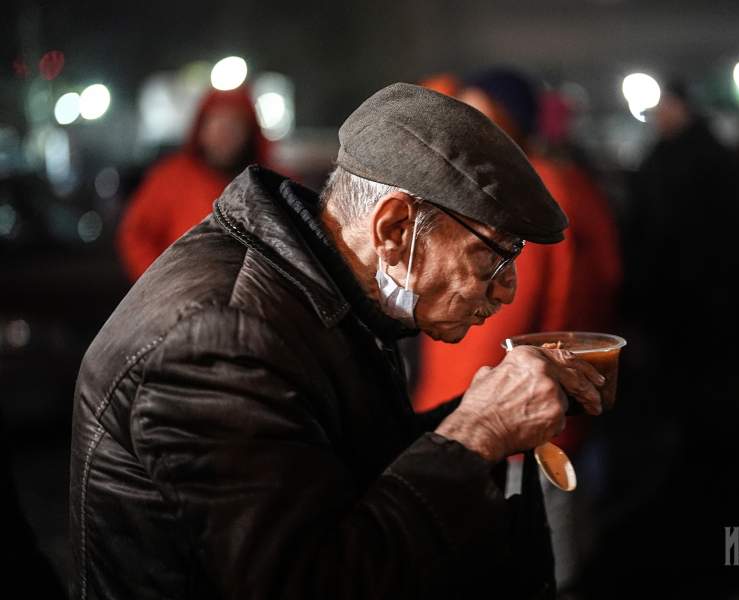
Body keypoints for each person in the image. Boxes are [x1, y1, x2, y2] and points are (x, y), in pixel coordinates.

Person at [70, 83, 609, 599]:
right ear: (395, 228)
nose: (507, 290)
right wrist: (478, 432)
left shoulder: (320, 288)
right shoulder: (220, 338)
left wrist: (490, 414)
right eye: (493, 257)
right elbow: (307, 582)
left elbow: (339, 460)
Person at [414, 68, 622, 596]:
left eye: (480, 114)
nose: (466, 126)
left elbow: (512, 318)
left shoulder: (530, 191)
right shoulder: (521, 184)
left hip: (510, 414)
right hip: (482, 408)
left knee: (533, 564)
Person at [116, 86, 271, 281]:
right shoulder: (171, 177)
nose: (225, 134)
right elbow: (135, 234)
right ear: (201, 128)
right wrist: (161, 282)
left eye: (234, 124)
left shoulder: (269, 183)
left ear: (249, 132)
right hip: (183, 299)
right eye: (216, 123)